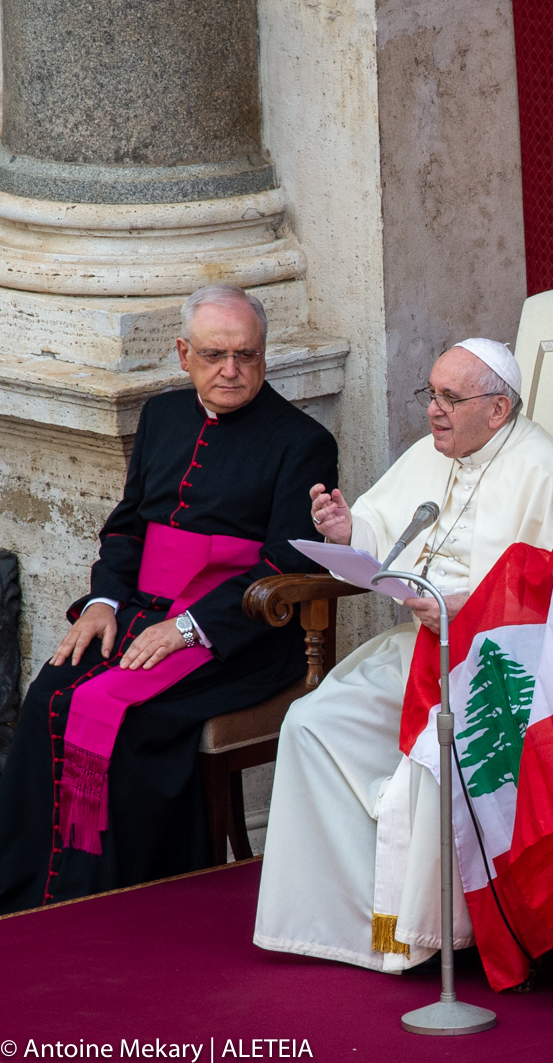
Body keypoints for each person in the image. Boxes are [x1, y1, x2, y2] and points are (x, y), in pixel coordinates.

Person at [0, 283, 338, 913]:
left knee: (119, 713)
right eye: (214, 355)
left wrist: (189, 629)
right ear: (184, 353)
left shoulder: (303, 441)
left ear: (265, 356)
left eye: (246, 355)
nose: (231, 370)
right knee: (51, 687)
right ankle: (28, 890)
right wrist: (102, 602)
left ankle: (123, 895)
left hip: (239, 634)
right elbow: (129, 525)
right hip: (139, 613)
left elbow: (284, 564)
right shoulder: (162, 415)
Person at [254, 338, 553, 971]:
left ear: (498, 409)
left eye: (450, 399)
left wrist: (467, 610)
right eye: (429, 394)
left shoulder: (545, 471)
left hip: (497, 670)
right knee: (312, 725)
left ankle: (424, 937)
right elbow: (383, 524)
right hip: (421, 647)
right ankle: (340, 922)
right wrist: (349, 531)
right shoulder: (433, 453)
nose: (433, 411)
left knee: (422, 768)